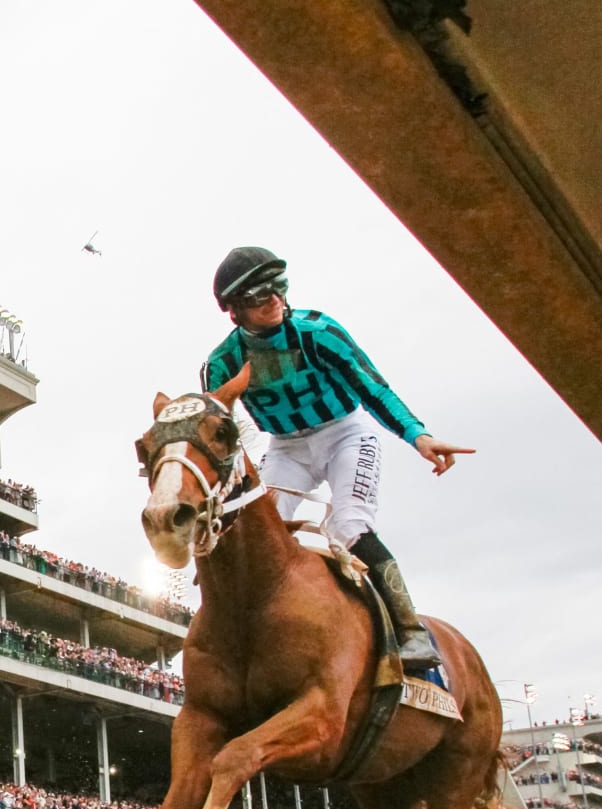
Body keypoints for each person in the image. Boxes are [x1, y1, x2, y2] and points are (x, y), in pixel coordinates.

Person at [202, 247, 474, 671]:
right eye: (259, 294)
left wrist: (418, 436)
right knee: (257, 529)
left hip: (345, 433)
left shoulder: (319, 331)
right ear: (234, 311)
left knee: (347, 523)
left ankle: (410, 631)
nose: (274, 298)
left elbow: (372, 387)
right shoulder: (220, 364)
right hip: (285, 447)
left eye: (279, 287)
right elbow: (216, 432)